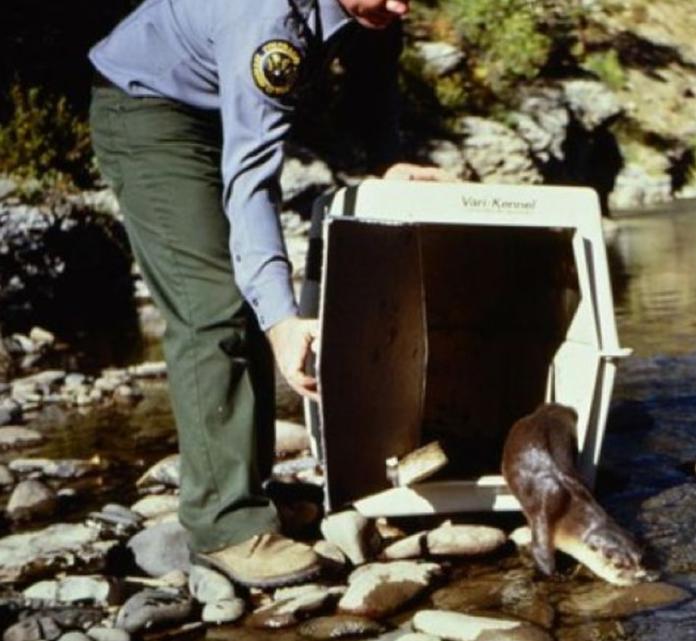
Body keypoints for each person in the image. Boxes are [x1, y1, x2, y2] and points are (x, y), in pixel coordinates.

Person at [88, 0, 443, 587]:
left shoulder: (374, 8)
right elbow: (251, 178)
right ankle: (223, 523)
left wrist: (387, 163)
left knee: (248, 293)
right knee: (215, 307)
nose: (400, 4)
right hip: (150, 111)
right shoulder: (268, 23)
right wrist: (282, 320)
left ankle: (251, 490)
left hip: (212, 98)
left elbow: (374, 79)